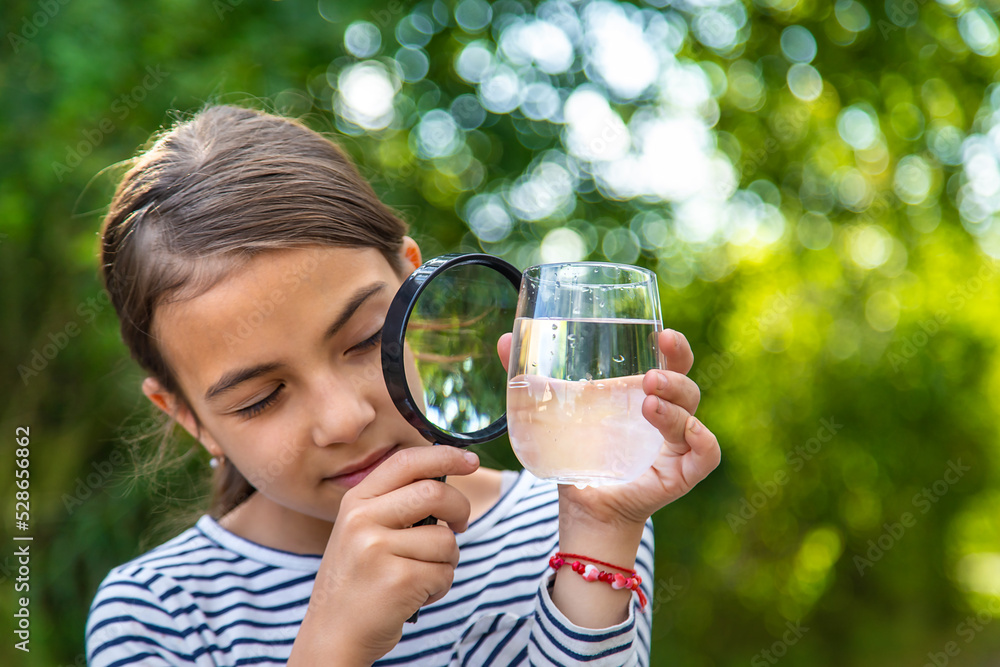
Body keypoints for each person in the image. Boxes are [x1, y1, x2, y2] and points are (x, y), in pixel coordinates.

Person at [85, 104, 721, 666]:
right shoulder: (158, 612)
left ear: (419, 293)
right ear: (188, 418)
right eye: (261, 397)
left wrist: (597, 533)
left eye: (365, 341)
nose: (343, 418)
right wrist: (330, 648)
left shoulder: (563, 522)